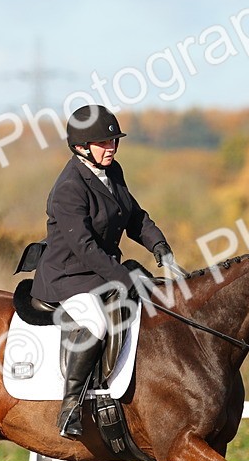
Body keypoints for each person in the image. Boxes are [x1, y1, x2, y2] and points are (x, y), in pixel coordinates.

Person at [29, 105, 176, 437]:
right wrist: (125, 279)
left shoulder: (113, 172)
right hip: (69, 277)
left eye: (114, 143)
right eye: (104, 144)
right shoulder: (69, 187)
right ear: (82, 147)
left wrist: (158, 244)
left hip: (100, 270)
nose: (111, 148)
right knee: (95, 322)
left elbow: (134, 215)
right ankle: (70, 408)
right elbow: (84, 248)